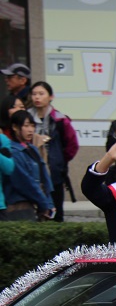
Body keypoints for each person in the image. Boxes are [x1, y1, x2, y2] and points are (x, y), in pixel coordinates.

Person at [28, 81, 78, 223]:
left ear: (51, 97)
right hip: (31, 170)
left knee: (56, 212)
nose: (37, 97)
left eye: (41, 94)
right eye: (34, 94)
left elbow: (72, 145)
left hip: (53, 172)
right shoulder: (26, 118)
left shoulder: (60, 120)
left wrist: (60, 161)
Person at [3, 110, 54, 221]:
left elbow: (44, 177)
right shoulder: (13, 151)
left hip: (35, 204)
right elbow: (24, 182)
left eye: (32, 126)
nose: (30, 130)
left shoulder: (32, 149)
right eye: (26, 126)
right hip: (19, 207)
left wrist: (49, 203)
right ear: (15, 127)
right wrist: (43, 203)